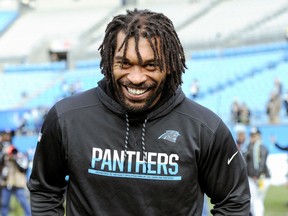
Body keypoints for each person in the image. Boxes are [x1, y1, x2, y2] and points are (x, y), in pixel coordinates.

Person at [27, 9, 250, 215]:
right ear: (108, 60)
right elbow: (45, 191)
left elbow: (234, 201)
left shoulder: (205, 128)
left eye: (150, 65)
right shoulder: (67, 117)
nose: (136, 77)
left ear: (170, 64)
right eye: (124, 63)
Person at [0, 130, 31, 216]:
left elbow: (24, 168)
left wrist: (16, 157)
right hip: (7, 184)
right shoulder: (4, 154)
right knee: (4, 205)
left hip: (18, 184)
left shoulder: (19, 154)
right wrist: (5, 155)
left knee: (25, 204)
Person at [244, 127, 270, 216]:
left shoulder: (262, 147)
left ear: (259, 136)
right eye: (251, 135)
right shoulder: (249, 147)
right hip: (251, 178)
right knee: (252, 201)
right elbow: (244, 158)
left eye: (254, 135)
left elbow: (262, 163)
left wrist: (257, 175)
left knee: (257, 201)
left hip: (261, 178)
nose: (252, 137)